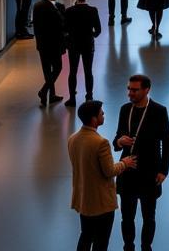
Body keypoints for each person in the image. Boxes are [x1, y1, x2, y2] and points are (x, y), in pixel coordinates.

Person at [113, 74, 169, 251]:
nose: (130, 93)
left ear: (147, 90)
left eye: (134, 90)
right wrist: (119, 142)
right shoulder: (125, 110)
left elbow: (167, 142)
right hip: (127, 172)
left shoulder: (159, 111)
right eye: (129, 89)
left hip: (150, 173)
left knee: (149, 217)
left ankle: (146, 247)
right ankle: (128, 246)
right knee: (127, 217)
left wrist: (164, 170)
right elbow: (117, 138)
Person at [68, 99, 137, 251]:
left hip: (84, 199)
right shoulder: (101, 142)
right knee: (101, 241)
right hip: (101, 202)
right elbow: (109, 171)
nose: (104, 115)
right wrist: (125, 163)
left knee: (86, 235)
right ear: (94, 119)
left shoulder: (72, 139)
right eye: (101, 113)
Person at [64, 0, 102, 107]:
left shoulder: (69, 11)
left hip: (73, 44)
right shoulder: (93, 10)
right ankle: (89, 96)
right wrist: (92, 35)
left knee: (73, 72)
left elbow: (64, 29)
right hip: (88, 44)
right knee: (88, 71)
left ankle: (72, 98)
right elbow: (98, 30)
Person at [33, 0, 66, 107]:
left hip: (42, 45)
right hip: (53, 44)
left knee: (47, 71)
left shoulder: (37, 6)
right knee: (57, 68)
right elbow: (60, 23)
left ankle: (50, 94)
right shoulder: (53, 8)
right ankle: (45, 91)